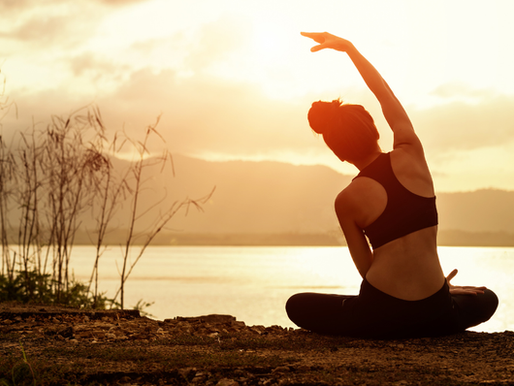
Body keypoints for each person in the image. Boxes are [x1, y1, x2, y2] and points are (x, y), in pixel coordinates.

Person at [285, 32, 498, 338]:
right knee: (486, 297)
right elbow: (385, 94)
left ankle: (389, 317)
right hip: (436, 312)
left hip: (380, 317)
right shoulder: (412, 152)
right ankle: (440, 299)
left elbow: (367, 269)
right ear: (374, 129)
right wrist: (349, 49)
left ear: (340, 154)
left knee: (298, 305)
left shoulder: (346, 201)